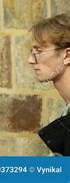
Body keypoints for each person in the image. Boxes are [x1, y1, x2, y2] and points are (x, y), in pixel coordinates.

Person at [28, 14, 70, 156]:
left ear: (67, 55)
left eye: (38, 51)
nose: (30, 60)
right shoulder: (66, 110)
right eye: (32, 52)